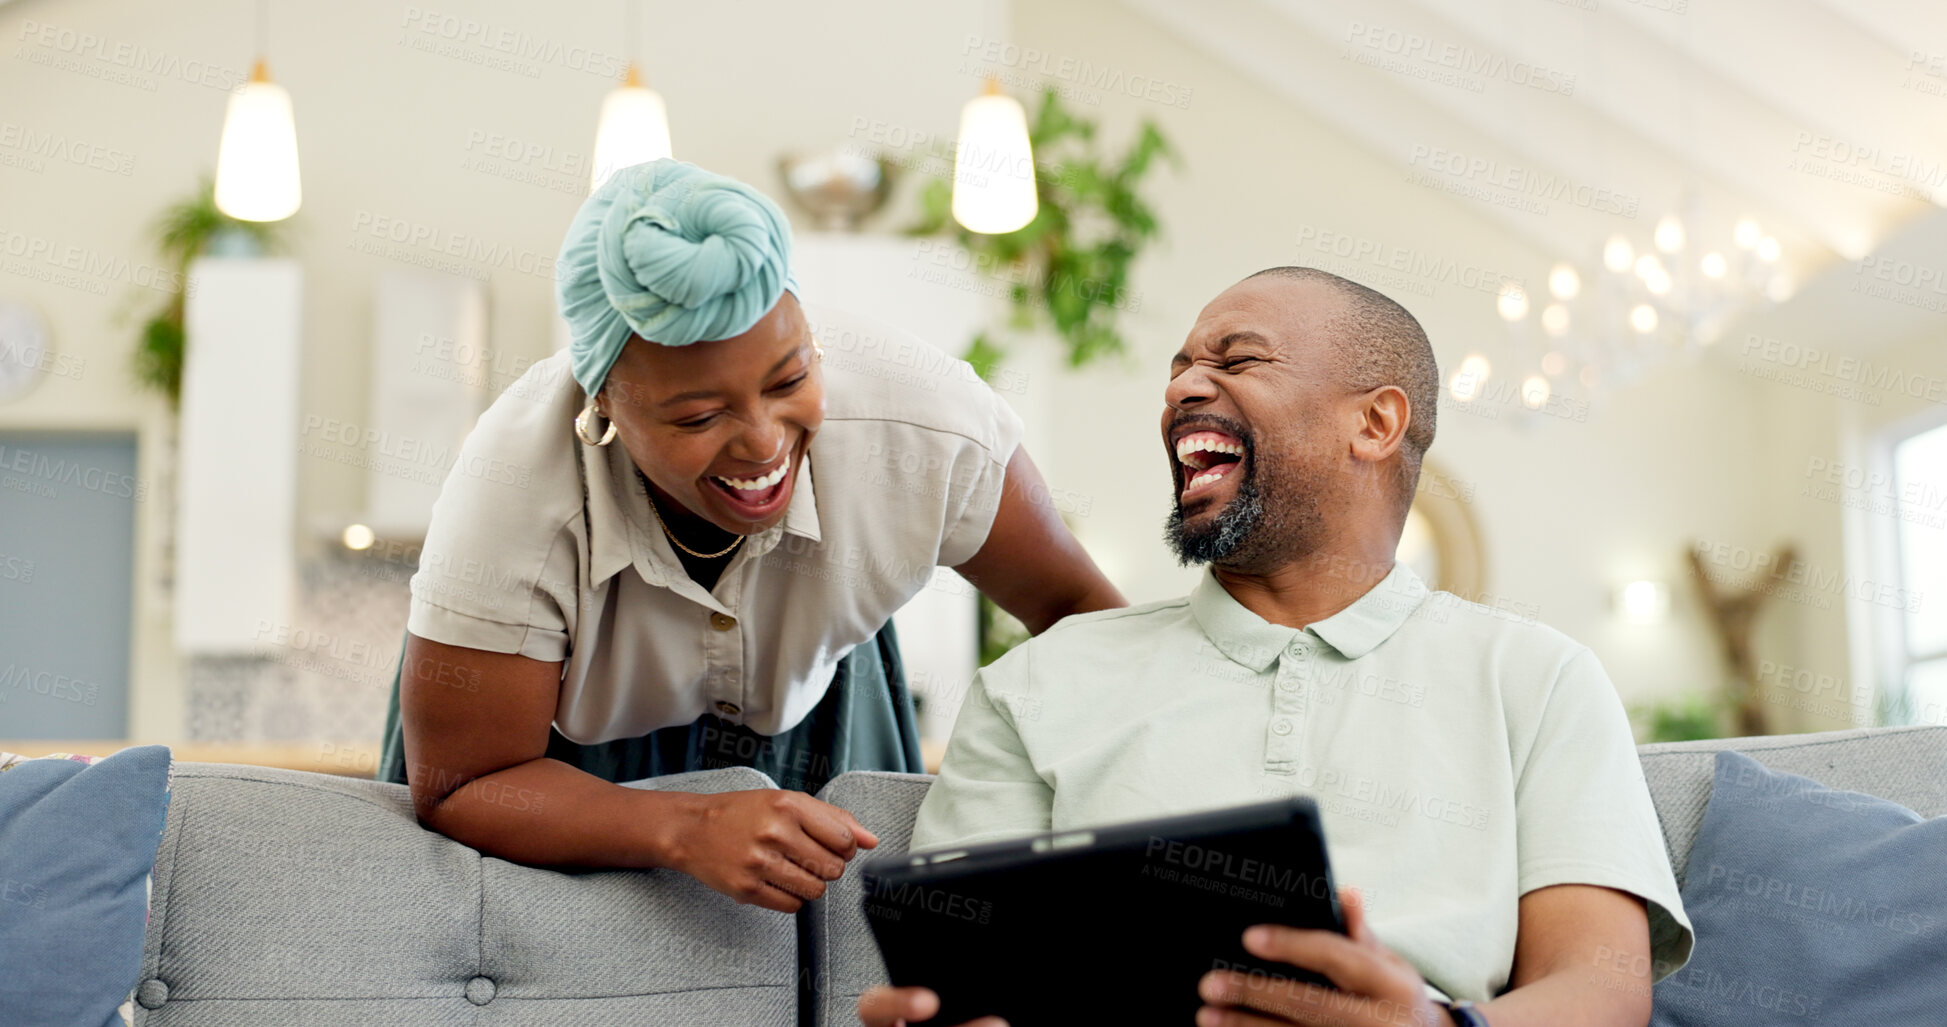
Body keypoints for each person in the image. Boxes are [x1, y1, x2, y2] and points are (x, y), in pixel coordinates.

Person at [860, 268, 1692, 1027]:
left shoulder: (1538, 679)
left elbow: (1601, 989)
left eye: (1238, 360)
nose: (1184, 385)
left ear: (1373, 422)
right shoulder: (1035, 682)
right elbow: (960, 974)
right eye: (1179, 366)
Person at [378, 159, 1125, 913]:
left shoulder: (927, 424)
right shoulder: (511, 486)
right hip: (547, 747)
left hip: (819, 692)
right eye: (699, 417)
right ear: (600, 396)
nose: (763, 444)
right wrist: (682, 825)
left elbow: (1079, 611)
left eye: (788, 379)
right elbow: (463, 781)